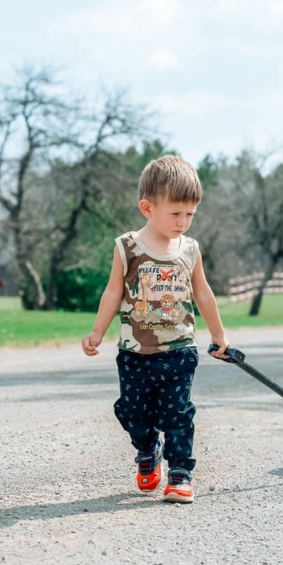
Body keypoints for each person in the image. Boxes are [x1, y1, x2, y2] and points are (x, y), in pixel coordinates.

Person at [82, 155, 230, 503]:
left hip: (180, 350)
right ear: (148, 208)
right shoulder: (128, 247)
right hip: (136, 354)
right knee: (132, 412)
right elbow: (112, 292)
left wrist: (219, 336)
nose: (184, 222)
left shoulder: (190, 249)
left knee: (177, 414)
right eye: (176, 213)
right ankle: (148, 449)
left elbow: (203, 294)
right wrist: (97, 333)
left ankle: (180, 474)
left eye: (190, 214)